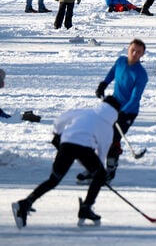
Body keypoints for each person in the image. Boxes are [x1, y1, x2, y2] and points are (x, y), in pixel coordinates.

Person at [12, 95, 123, 228]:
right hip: (84, 149)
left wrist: (57, 133)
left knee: (54, 179)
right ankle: (86, 208)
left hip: (66, 144)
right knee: (100, 175)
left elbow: (61, 119)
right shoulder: (107, 127)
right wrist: (97, 173)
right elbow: (102, 152)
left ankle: (24, 204)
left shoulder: (86, 112)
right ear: (116, 112)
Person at [91, 39, 148, 182]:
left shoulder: (141, 74)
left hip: (128, 111)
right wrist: (103, 84)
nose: (134, 53)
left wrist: (121, 113)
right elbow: (112, 72)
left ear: (142, 55)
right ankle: (93, 167)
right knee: (97, 133)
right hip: (113, 104)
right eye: (133, 50)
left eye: (138, 52)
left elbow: (135, 98)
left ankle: (110, 169)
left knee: (113, 138)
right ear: (128, 49)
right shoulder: (121, 61)